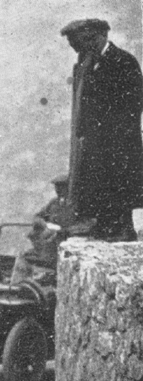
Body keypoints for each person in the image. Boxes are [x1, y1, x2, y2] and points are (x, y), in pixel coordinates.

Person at [62, 18, 143, 241]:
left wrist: (110, 131)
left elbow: (135, 102)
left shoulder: (124, 62)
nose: (76, 49)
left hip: (119, 141)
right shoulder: (85, 64)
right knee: (98, 186)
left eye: (78, 43)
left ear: (96, 38)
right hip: (95, 142)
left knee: (119, 185)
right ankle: (105, 226)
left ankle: (122, 230)